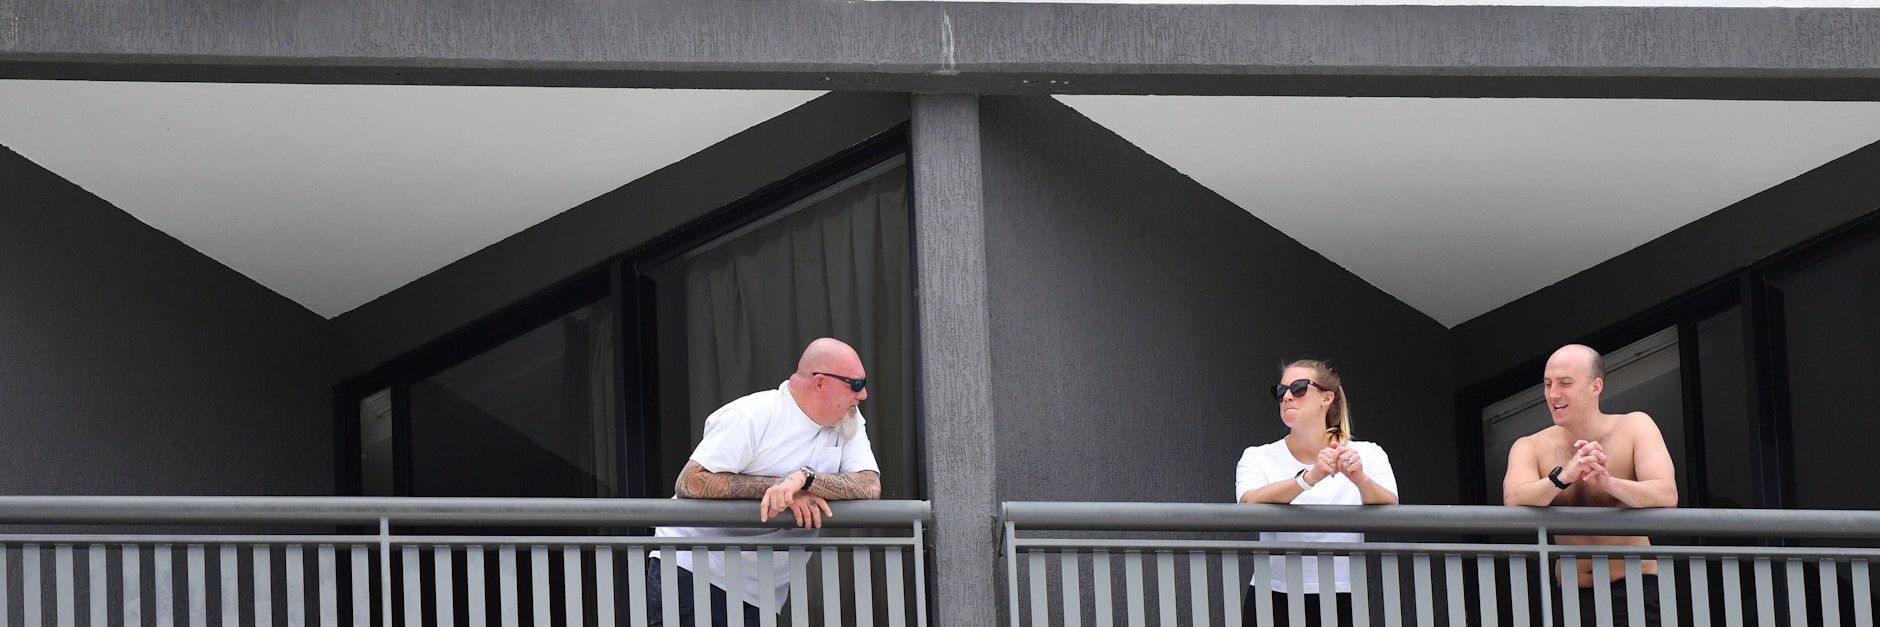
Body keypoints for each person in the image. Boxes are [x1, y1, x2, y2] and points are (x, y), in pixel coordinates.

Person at [647, 338, 883, 626]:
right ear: (820, 382)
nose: (863, 394)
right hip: (696, 571)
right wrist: (779, 489)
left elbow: (869, 485)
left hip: (762, 591)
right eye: (855, 385)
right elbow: (690, 482)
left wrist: (804, 480)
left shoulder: (847, 419)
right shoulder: (753, 414)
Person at [1503, 344, 1677, 627]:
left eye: (1565, 383)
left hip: (1635, 588)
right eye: (1548, 384)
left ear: (1595, 386)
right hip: (1571, 595)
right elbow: (1513, 497)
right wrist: (1562, 478)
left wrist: (1607, 482)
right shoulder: (1530, 446)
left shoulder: (1634, 426)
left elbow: (1666, 493)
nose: (1553, 394)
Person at [1235, 359, 1398, 627]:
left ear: (1327, 398)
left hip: (1342, 591)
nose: (1287, 396)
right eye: (1280, 391)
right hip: (1273, 592)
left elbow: (1390, 504)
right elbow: (1248, 501)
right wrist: (1308, 479)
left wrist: (1359, 479)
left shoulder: (1367, 453)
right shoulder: (1257, 456)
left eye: (1298, 388)